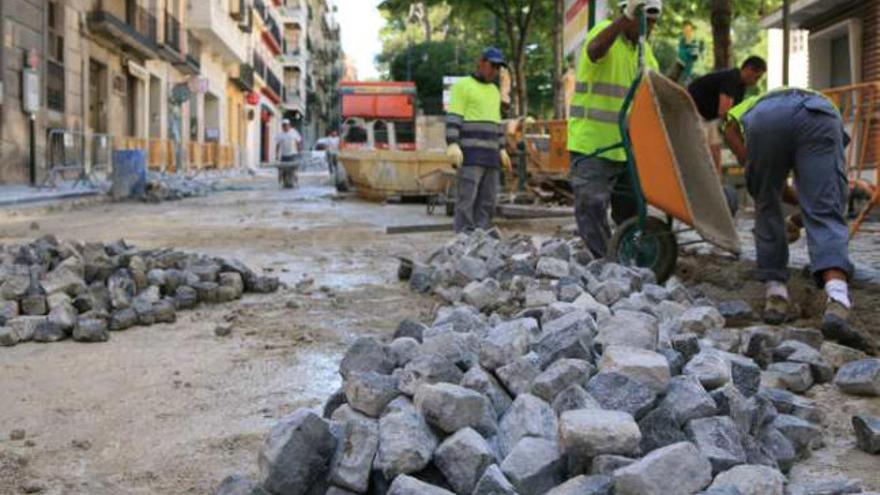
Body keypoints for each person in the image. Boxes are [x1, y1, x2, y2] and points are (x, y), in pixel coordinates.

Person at [723, 88, 870, 351]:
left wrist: (755, 169)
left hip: (765, 121)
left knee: (766, 205)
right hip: (820, 115)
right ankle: (837, 299)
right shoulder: (820, 104)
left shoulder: (750, 107)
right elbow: (818, 195)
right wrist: (803, 215)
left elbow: (730, 131)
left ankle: (776, 295)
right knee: (825, 207)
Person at [567, 0, 662, 258]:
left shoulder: (645, 52)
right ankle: (606, 261)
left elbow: (656, 91)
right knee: (592, 205)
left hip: (627, 147)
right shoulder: (604, 34)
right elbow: (595, 50)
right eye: (644, 21)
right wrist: (624, 20)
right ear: (627, 14)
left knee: (631, 207)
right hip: (593, 143)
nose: (649, 28)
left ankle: (628, 256)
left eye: (653, 23)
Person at [445, 47, 511, 233]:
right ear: (481, 63)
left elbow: (496, 123)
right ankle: (463, 240)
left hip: (491, 157)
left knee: (488, 201)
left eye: (498, 68)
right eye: (493, 66)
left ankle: (480, 239)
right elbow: (454, 117)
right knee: (467, 200)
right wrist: (452, 143)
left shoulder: (493, 91)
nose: (495, 71)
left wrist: (502, 148)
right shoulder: (463, 86)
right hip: (470, 156)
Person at [688, 56, 767, 170]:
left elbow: (733, 117)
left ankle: (716, 181)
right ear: (749, 69)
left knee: (715, 147)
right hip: (691, 110)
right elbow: (724, 112)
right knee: (711, 144)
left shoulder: (741, 87)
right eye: (757, 78)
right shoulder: (732, 79)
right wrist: (740, 147)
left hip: (706, 116)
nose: (756, 83)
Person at [275, 119, 302, 188]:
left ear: (289, 125)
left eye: (286, 125)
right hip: (284, 155)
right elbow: (278, 145)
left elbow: (298, 142)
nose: (285, 127)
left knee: (294, 170)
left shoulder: (294, 132)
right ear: (282, 126)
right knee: (282, 170)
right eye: (283, 126)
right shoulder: (280, 134)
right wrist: (277, 155)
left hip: (293, 154)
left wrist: (299, 151)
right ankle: (281, 183)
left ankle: (296, 182)